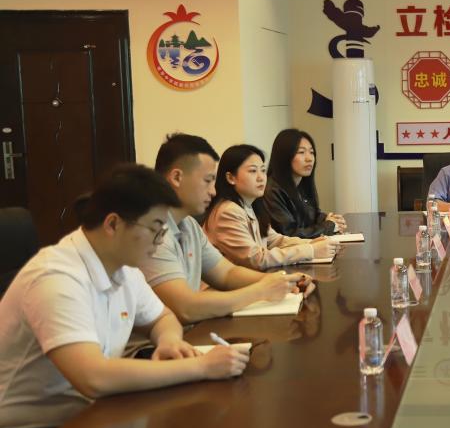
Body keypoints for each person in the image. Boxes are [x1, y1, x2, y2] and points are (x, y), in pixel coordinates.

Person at [0, 164, 249, 428]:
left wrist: (168, 340)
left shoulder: (124, 269)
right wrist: (201, 366)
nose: (160, 242)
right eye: (155, 229)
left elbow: (163, 317)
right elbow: (93, 377)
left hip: (88, 412)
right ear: (113, 224)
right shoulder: (56, 277)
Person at [142, 133, 309, 325]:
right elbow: (186, 308)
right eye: (207, 180)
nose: (213, 191)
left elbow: (226, 274)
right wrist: (261, 290)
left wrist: (282, 282)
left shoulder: (189, 225)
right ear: (177, 177)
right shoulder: (151, 233)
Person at [204, 145, 341, 270]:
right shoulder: (228, 211)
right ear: (231, 178)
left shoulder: (250, 206)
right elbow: (257, 259)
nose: (261, 178)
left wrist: (312, 243)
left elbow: (275, 240)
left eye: (263, 170)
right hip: (229, 287)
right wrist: (311, 250)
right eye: (253, 171)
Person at [265, 129, 345, 238]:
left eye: (311, 152)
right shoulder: (272, 190)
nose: (309, 158)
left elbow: (312, 216)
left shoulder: (301, 184)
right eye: (301, 152)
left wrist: (329, 219)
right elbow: (289, 234)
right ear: (284, 155)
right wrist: (329, 225)